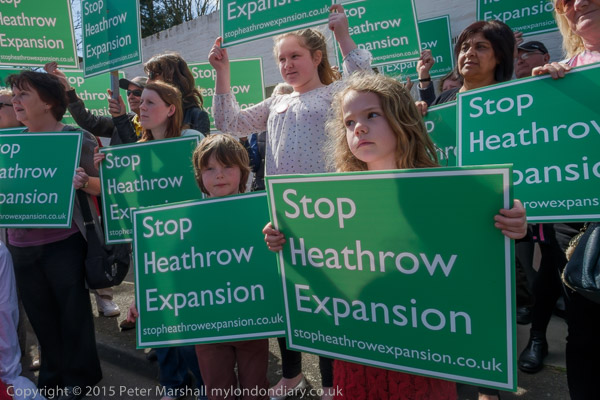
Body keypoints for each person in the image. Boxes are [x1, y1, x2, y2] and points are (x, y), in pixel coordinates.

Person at [264, 72, 527, 399]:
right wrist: (285, 241)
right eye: (349, 122)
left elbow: (476, 260)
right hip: (356, 358)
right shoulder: (330, 200)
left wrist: (512, 222)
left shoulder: (446, 189)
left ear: (401, 118)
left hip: (425, 359)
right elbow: (321, 271)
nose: (358, 128)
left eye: (371, 115)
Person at [209, 5, 371, 399]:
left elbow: (366, 80)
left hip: (329, 215)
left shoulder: (336, 94)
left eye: (295, 56)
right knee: (288, 300)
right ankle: (293, 375)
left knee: (330, 303)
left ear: (317, 57)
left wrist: (342, 34)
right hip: (284, 216)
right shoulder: (277, 102)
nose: (287, 65)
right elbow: (229, 123)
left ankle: (333, 385)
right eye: (281, 59)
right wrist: (222, 72)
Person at [96, 81, 206, 400]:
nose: (141, 107)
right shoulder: (135, 151)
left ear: (171, 109)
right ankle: (172, 385)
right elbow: (127, 198)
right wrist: (108, 172)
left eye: (149, 102)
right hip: (152, 249)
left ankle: (205, 387)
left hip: (188, 247)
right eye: (140, 101)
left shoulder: (191, 140)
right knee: (159, 321)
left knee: (188, 326)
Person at [5, 70, 102, 400]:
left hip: (64, 244)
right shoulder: (10, 144)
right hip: (20, 246)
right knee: (40, 317)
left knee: (73, 314)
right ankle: (52, 377)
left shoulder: (77, 138)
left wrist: (84, 182)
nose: (15, 101)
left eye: (23, 94)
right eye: (14, 95)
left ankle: (79, 378)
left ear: (47, 102)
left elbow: (107, 187)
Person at [529, 1, 600, 398]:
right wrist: (541, 99)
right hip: (577, 230)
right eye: (566, 1)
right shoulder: (562, 75)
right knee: (584, 334)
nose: (578, 3)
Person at [190, 134, 269, 400]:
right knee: (217, 390)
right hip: (207, 324)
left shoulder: (261, 213)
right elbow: (170, 266)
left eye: (227, 166)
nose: (219, 175)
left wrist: (276, 241)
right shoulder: (185, 222)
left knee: (255, 389)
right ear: (199, 176)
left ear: (243, 171)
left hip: (253, 320)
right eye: (209, 168)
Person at [430, 20, 515, 105]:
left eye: (480, 47)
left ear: (500, 56)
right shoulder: (442, 100)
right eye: (464, 48)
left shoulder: (513, 100)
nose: (469, 53)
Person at [144, 52, 210, 135]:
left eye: (151, 75)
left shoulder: (196, 116)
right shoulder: (149, 112)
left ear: (171, 77)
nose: (147, 82)